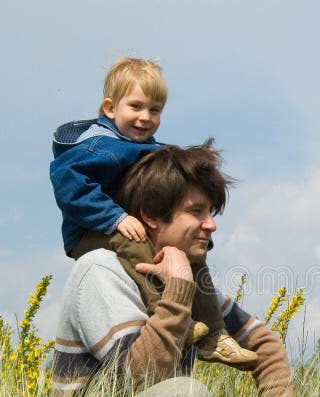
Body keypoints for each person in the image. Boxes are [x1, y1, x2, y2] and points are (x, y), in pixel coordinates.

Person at [49, 140, 319, 397]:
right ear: (151, 215)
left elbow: (265, 344)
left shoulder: (194, 285)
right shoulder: (101, 270)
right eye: (196, 211)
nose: (210, 225)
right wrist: (177, 291)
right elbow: (138, 378)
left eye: (211, 213)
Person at [49, 56, 255, 367]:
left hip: (134, 226)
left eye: (154, 110)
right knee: (136, 243)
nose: (145, 117)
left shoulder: (150, 148)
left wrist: (193, 236)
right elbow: (68, 184)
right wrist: (115, 217)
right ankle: (171, 314)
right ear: (109, 108)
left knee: (192, 259)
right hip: (93, 231)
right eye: (136, 107)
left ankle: (215, 334)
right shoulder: (98, 146)